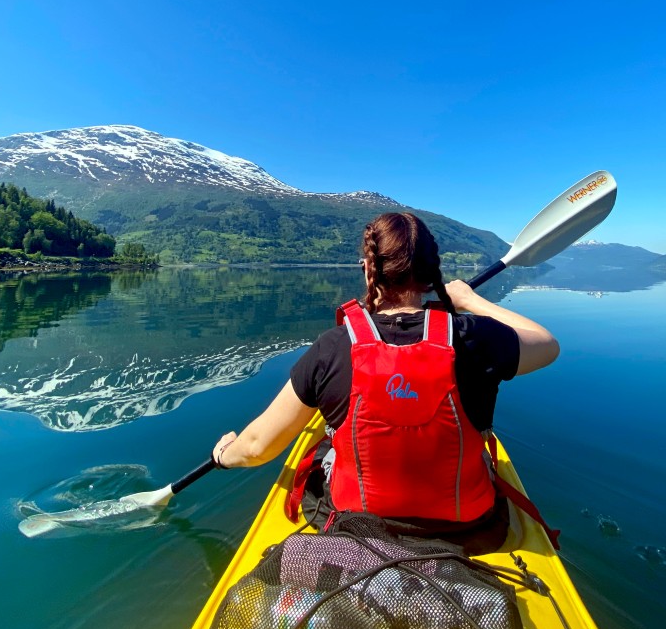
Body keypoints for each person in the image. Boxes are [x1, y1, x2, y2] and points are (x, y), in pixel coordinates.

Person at [212, 212, 559, 552]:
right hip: (470, 528)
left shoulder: (332, 347)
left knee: (323, 445)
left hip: (357, 527)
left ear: (368, 269)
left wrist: (225, 454)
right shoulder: (476, 340)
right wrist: (470, 301)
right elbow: (546, 344)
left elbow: (258, 447)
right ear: (431, 273)